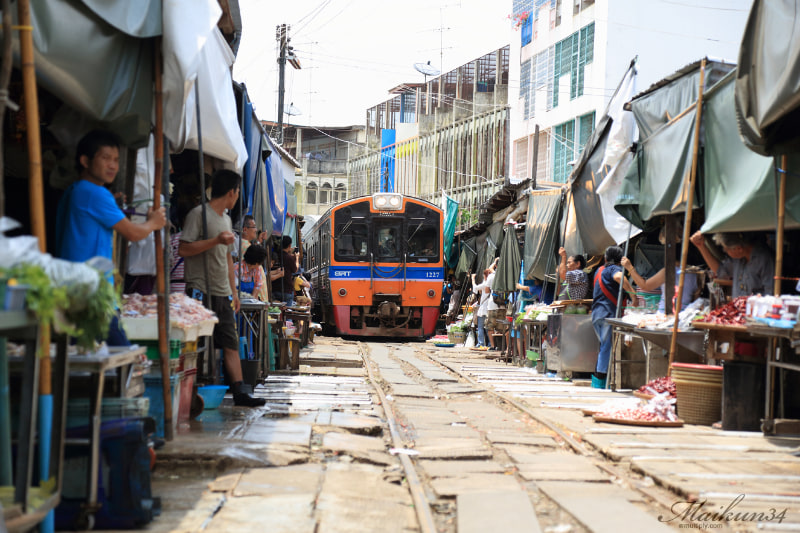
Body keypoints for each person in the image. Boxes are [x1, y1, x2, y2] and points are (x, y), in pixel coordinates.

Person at [55, 129, 167, 346]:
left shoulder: (74, 190)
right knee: (122, 359)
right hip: (92, 296)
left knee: (82, 361)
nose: (113, 165)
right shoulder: (95, 192)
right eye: (105, 158)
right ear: (85, 161)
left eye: (116, 159)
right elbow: (133, 233)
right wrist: (154, 222)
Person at [179, 169, 265, 407]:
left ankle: (240, 392)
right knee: (193, 343)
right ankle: (190, 390)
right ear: (231, 192)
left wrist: (234, 292)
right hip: (199, 289)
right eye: (238, 192)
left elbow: (228, 259)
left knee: (230, 342)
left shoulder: (226, 219)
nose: (237, 197)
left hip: (222, 291)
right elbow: (184, 249)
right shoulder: (199, 215)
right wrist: (215, 241)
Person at [621, 225, 698, 313]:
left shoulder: (668, 272)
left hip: (666, 315)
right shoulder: (694, 273)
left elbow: (645, 286)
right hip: (684, 316)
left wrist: (629, 267)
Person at [591, 246, 635, 389]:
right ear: (619, 261)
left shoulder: (599, 270)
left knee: (603, 346)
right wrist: (633, 295)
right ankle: (600, 379)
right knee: (606, 346)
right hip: (607, 314)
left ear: (605, 258)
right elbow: (618, 277)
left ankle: (599, 380)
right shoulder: (613, 269)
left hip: (597, 314)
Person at [690, 231, 773, 299]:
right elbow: (720, 271)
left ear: (738, 249)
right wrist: (701, 247)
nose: (725, 252)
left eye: (726, 249)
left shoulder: (764, 258)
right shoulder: (738, 259)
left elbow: (770, 294)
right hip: (739, 311)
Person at [471, 258, 499, 350]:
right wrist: (495, 262)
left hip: (484, 309)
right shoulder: (495, 279)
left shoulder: (486, 283)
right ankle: (489, 344)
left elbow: (475, 288)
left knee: (482, 328)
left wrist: (472, 279)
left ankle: (481, 343)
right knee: (488, 328)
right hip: (491, 308)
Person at [272, 235, 298, 304]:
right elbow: (295, 270)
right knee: (287, 312)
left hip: (275, 289)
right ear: (289, 245)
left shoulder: (275, 255)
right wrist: (297, 258)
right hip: (287, 290)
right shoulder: (289, 258)